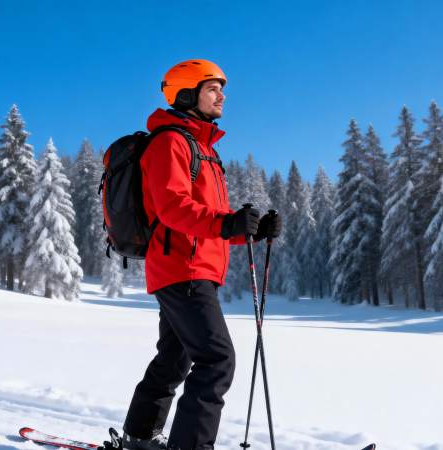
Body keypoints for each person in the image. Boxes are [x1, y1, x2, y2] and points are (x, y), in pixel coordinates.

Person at [121, 59, 282, 450]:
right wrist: (227, 224)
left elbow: (207, 224)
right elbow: (172, 208)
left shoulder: (204, 151)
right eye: (213, 89)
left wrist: (248, 232)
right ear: (187, 94)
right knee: (216, 360)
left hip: (195, 267)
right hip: (181, 268)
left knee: (174, 360)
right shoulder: (170, 142)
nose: (222, 96)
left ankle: (139, 437)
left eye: (221, 89)